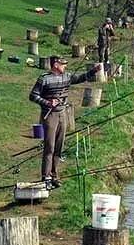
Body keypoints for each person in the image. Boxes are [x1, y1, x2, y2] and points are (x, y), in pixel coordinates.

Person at [29, 56, 100, 190]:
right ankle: (46, 177)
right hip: (49, 116)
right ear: (55, 65)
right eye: (63, 64)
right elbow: (33, 95)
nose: (65, 66)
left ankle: (55, 175)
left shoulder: (66, 76)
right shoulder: (44, 78)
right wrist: (48, 102)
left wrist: (94, 71)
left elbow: (80, 78)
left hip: (63, 114)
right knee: (49, 146)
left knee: (59, 146)